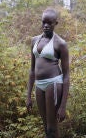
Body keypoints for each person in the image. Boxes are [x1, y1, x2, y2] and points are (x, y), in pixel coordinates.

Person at [26, 8, 70, 138]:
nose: (45, 25)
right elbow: (32, 70)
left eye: (49, 23)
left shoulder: (60, 44)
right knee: (46, 128)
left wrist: (63, 106)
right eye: (43, 22)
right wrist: (28, 95)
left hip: (54, 84)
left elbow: (67, 75)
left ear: (56, 23)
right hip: (39, 85)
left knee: (52, 129)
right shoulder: (34, 40)